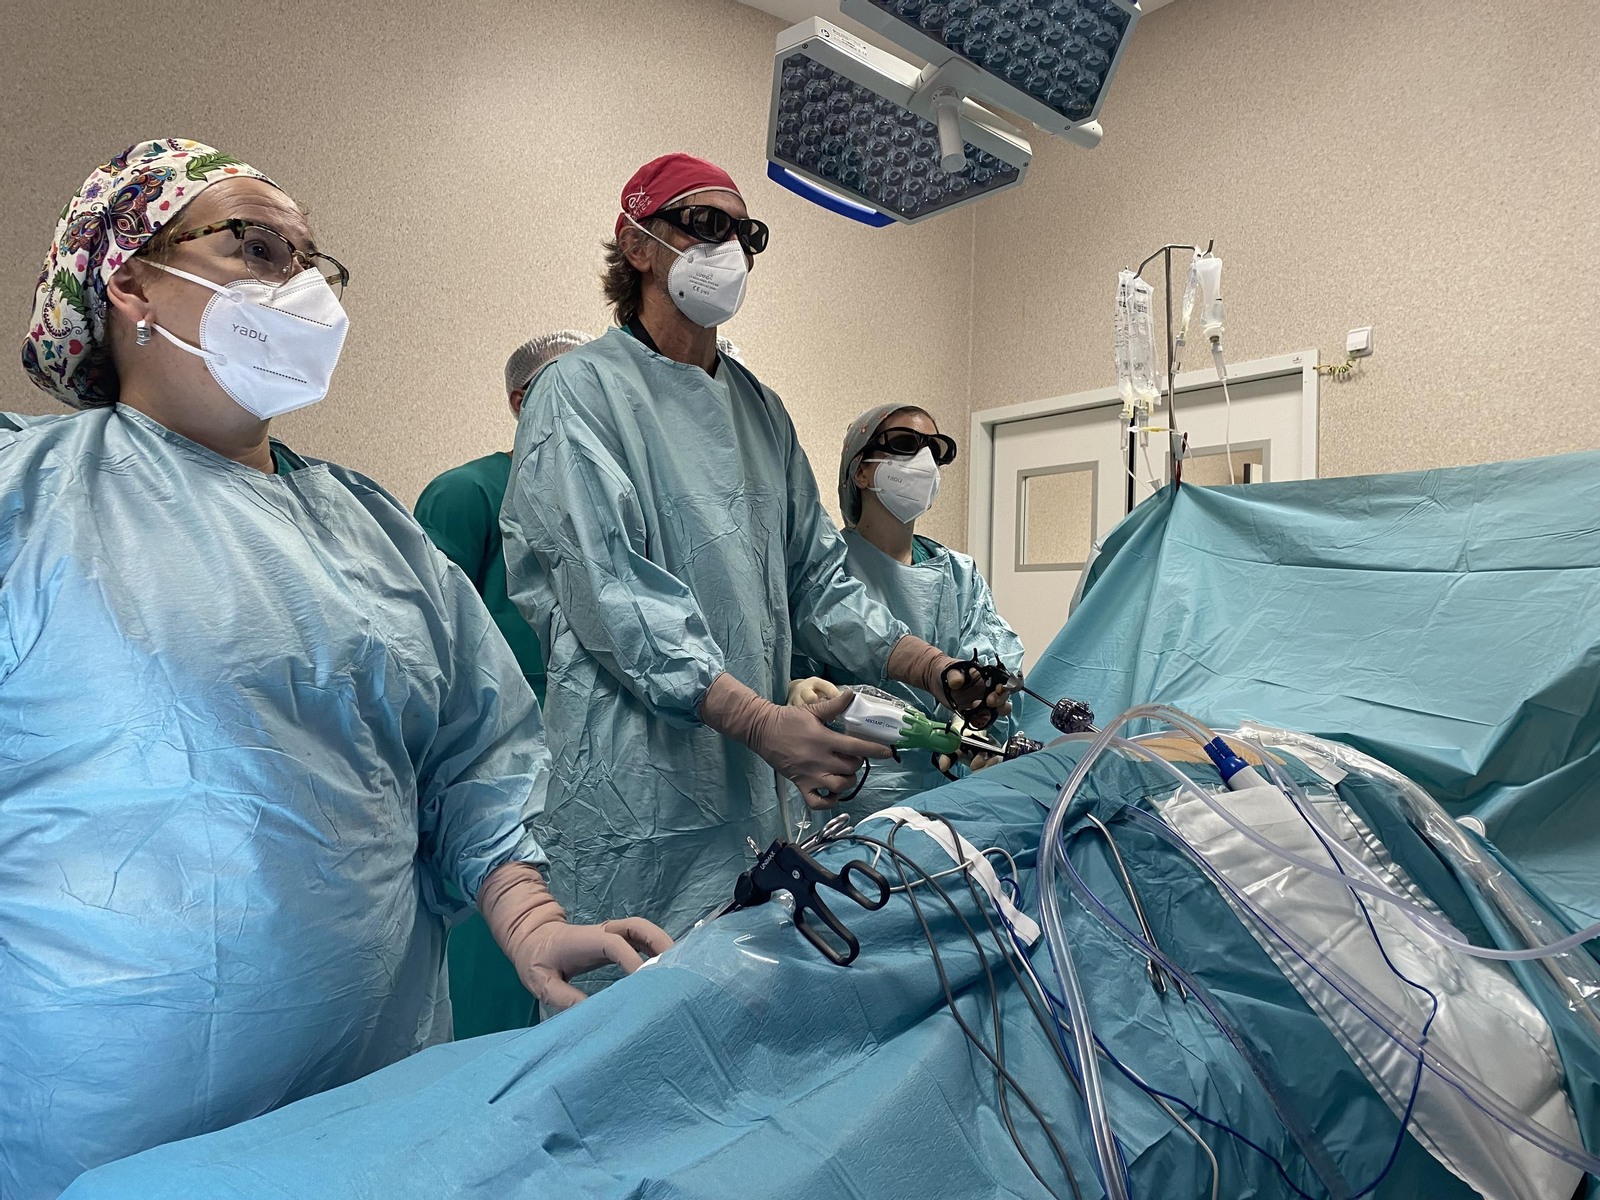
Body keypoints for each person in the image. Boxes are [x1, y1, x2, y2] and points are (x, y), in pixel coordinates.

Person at [2, 140, 669, 1200]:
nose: (303, 287)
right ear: (129, 279)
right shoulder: (28, 496)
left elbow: (474, 756)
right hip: (96, 1123)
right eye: (257, 247)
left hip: (371, 1102)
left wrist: (531, 922)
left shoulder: (375, 533)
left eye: (312, 261)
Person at [499, 153, 1006, 967]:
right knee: (630, 998)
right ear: (637, 244)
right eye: (706, 225)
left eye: (746, 234)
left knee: (747, 991)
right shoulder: (577, 394)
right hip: (637, 788)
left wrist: (934, 669)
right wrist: (761, 722)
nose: (730, 248)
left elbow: (820, 581)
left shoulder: (761, 411)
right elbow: (614, 597)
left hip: (753, 784)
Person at [414, 330, 591, 1040]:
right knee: (495, 986)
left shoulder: (603, 512)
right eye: (566, 384)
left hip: (591, 767)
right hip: (498, 774)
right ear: (521, 402)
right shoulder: (467, 493)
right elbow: (431, 651)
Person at [788, 405, 1025, 816]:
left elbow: (995, 666)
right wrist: (792, 688)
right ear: (860, 471)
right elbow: (788, 658)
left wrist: (975, 724)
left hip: (950, 792)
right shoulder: (825, 572)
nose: (925, 460)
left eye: (936, 449)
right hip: (853, 794)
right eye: (904, 444)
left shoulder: (959, 576)